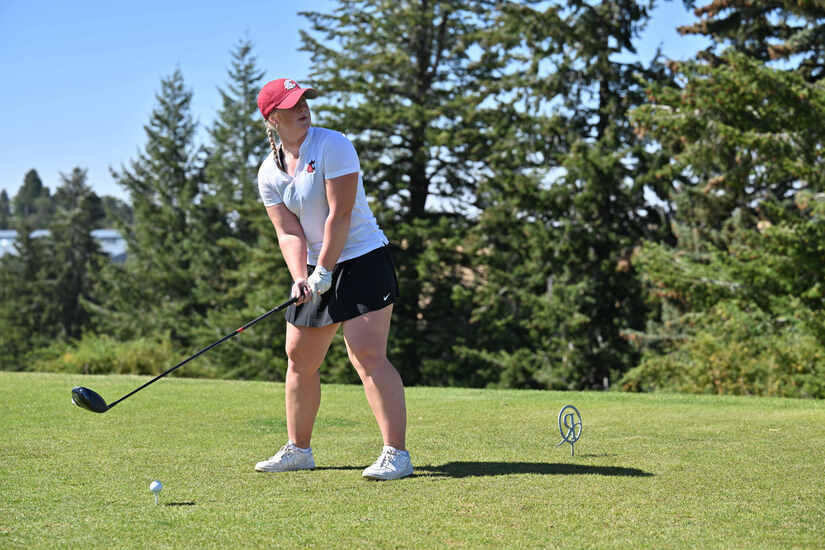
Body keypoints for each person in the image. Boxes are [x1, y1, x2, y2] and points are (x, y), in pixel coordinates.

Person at [252, 78, 412, 481]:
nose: (303, 108)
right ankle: (298, 449)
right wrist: (300, 278)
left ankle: (397, 454)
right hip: (317, 267)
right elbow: (288, 232)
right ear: (273, 119)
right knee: (299, 358)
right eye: (292, 105)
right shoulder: (269, 172)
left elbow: (338, 215)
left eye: (304, 101)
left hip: (362, 258)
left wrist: (323, 270)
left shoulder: (332, 145)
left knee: (367, 355)